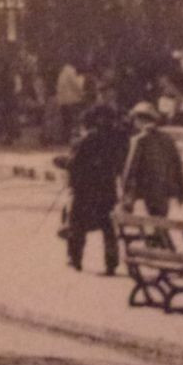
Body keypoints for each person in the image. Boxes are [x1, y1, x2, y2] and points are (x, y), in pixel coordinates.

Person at [55, 103, 129, 274]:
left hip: (84, 191)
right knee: (107, 227)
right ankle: (111, 262)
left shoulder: (86, 140)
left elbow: (74, 163)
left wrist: (61, 161)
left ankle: (75, 259)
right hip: (107, 190)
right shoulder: (116, 140)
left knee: (77, 225)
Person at [120, 101, 183, 217]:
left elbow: (131, 169)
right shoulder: (167, 139)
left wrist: (125, 195)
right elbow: (177, 165)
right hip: (165, 189)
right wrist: (181, 190)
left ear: (139, 120)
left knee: (154, 224)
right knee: (160, 220)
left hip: (146, 190)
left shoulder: (139, 140)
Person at [55, 60, 86, 143]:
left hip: (67, 101)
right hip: (68, 101)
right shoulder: (67, 72)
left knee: (69, 121)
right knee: (71, 121)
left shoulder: (66, 72)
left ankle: (68, 138)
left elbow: (75, 85)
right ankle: (69, 138)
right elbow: (76, 85)